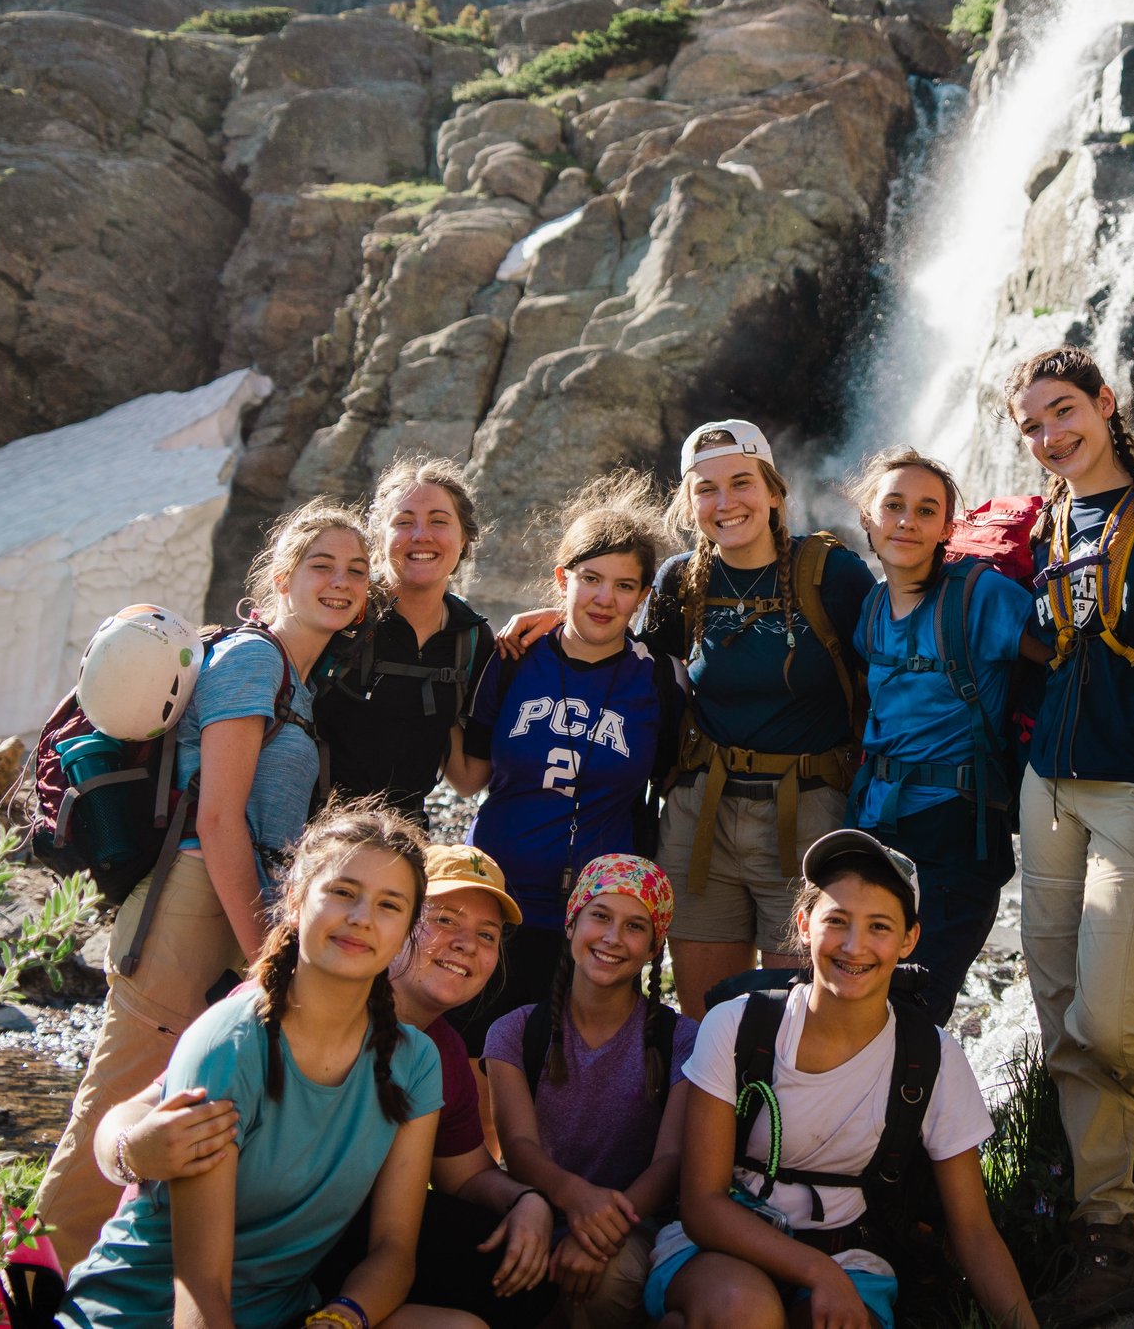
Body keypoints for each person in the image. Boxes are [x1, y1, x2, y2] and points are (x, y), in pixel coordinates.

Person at [35, 499, 373, 1269]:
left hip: (227, 901)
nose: (342, 581)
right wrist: (270, 958)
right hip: (195, 900)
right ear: (282, 578)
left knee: (175, 1110)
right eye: (322, 564)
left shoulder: (299, 681)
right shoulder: (255, 661)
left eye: (356, 569)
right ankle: (28, 1293)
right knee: (115, 1107)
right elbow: (218, 820)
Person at [96, 844, 560, 1327]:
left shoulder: (430, 1056)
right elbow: (136, 1115)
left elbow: (460, 1178)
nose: (466, 943)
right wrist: (134, 1152)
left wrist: (527, 1201)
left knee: (511, 1272)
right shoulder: (272, 1010)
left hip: (305, 1265)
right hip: (191, 1267)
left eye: (486, 934)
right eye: (445, 920)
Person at [500, 420, 874, 1018]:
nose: (725, 503)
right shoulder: (681, 580)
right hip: (702, 817)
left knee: (802, 1018)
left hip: (807, 814)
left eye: (741, 483)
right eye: (706, 489)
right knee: (706, 1022)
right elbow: (629, 660)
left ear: (775, 491)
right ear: (688, 501)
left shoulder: (833, 575)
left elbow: (886, 674)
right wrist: (562, 614)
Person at [53, 800, 469, 1329]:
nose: (362, 918)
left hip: (284, 1313)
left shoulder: (416, 1060)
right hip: (145, 1314)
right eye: (342, 892)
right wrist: (129, 1152)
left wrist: (342, 1320)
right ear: (296, 900)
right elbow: (199, 1289)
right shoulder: (231, 1043)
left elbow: (392, 1250)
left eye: (390, 905)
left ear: (408, 929)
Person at [646, 830, 1038, 1329]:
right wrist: (817, 1273)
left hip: (851, 1256)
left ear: (909, 939)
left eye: (879, 926)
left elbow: (974, 1231)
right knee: (747, 1312)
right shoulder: (738, 1025)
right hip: (723, 1245)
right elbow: (702, 1206)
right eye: (837, 921)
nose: (855, 946)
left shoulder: (931, 1057)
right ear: (804, 925)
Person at [1001, 347, 1134, 1329]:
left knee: (1106, 1021)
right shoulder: (1045, 524)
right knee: (1057, 1008)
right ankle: (1108, 1234)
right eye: (1031, 426)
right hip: (1048, 787)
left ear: (1105, 404)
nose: (1049, 437)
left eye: (1063, 412)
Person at [457, 472, 685, 1048]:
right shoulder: (512, 658)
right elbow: (466, 776)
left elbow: (676, 777)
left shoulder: (657, 677)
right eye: (590, 579)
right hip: (498, 899)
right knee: (478, 1056)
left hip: (596, 920)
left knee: (560, 1066)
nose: (605, 599)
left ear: (643, 596)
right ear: (563, 579)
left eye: (625, 585)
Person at [841, 447, 1043, 1028]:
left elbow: (1061, 656)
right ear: (867, 519)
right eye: (894, 506)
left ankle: (914, 1116)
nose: (907, 520)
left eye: (926, 511)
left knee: (913, 1009)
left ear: (947, 529)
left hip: (957, 831)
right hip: (875, 824)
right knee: (858, 1000)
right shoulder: (872, 608)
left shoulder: (980, 597)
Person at [486, 854, 697, 1329]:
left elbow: (670, 1161)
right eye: (600, 916)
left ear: (653, 948)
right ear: (572, 922)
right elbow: (518, 1148)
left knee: (602, 1284)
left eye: (635, 926)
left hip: (637, 1223)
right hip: (540, 1206)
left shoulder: (684, 1039)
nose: (612, 938)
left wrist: (603, 1228)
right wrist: (576, 1198)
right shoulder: (515, 1032)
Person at [315, 458, 495, 826]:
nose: (421, 535)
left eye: (439, 521)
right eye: (404, 521)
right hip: (314, 837)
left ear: (464, 540)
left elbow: (466, 779)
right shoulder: (341, 613)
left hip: (403, 841)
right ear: (379, 540)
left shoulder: (471, 637)